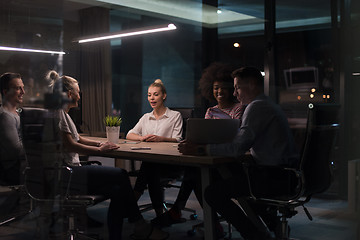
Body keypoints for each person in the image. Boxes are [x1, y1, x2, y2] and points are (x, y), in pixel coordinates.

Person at [178, 66, 299, 240]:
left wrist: (201, 149)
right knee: (232, 175)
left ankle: (254, 235)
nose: (234, 93)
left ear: (251, 85)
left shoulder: (256, 107)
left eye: (237, 87)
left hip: (275, 176)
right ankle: (271, 224)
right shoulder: (266, 104)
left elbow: (236, 148)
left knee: (212, 192)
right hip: (283, 173)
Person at [47, 71, 168, 240]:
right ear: (69, 94)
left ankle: (119, 234)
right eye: (78, 91)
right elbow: (71, 145)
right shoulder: (58, 113)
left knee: (117, 190)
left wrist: (99, 143)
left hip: (70, 173)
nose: (80, 96)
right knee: (120, 174)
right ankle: (139, 224)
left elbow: (78, 138)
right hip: (68, 173)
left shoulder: (61, 113)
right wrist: (100, 151)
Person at [152, 63, 246, 232]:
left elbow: (236, 137)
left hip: (229, 162)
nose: (219, 92)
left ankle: (179, 211)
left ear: (231, 89)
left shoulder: (239, 109)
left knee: (194, 175)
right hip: (210, 160)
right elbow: (204, 136)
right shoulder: (210, 111)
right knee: (194, 174)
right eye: (216, 88)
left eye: (224, 88)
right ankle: (208, 221)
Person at [126, 79, 183, 217]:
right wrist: (141, 138)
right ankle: (159, 214)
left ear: (164, 96)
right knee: (150, 169)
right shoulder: (146, 117)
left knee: (149, 169)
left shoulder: (175, 116)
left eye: (155, 94)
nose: (151, 98)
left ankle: (131, 206)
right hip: (151, 162)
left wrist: (161, 138)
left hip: (169, 163)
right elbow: (129, 134)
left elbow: (179, 139)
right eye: (149, 95)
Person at [0, 72, 26, 185]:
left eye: (22, 88)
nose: (23, 92)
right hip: (14, 173)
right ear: (5, 92)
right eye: (17, 88)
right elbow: (16, 151)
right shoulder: (5, 116)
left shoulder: (17, 113)